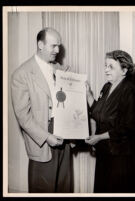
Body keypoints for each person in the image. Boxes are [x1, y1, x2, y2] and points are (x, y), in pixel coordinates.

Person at [11, 27, 73, 193]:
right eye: (53, 46)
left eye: (59, 46)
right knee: (42, 189)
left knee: (65, 187)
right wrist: (46, 137)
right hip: (42, 139)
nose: (58, 50)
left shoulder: (62, 70)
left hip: (65, 137)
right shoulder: (21, 74)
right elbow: (23, 116)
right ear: (40, 44)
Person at [85, 50, 135, 193]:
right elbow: (98, 113)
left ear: (124, 70)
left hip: (122, 157)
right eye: (105, 65)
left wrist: (99, 137)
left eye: (111, 67)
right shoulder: (106, 87)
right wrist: (88, 94)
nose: (106, 70)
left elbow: (127, 128)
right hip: (105, 153)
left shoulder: (131, 93)